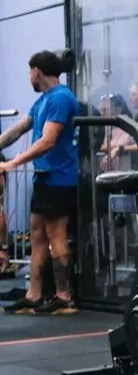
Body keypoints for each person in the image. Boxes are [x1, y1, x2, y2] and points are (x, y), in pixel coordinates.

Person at [0, 51, 82, 316]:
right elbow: (19, 129)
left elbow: (48, 140)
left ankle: (64, 295)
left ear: (37, 71)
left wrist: (13, 163)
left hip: (60, 177)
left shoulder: (61, 98)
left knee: (56, 235)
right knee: (36, 234)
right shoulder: (44, 100)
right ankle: (33, 295)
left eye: (29, 72)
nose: (28, 78)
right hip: (44, 176)